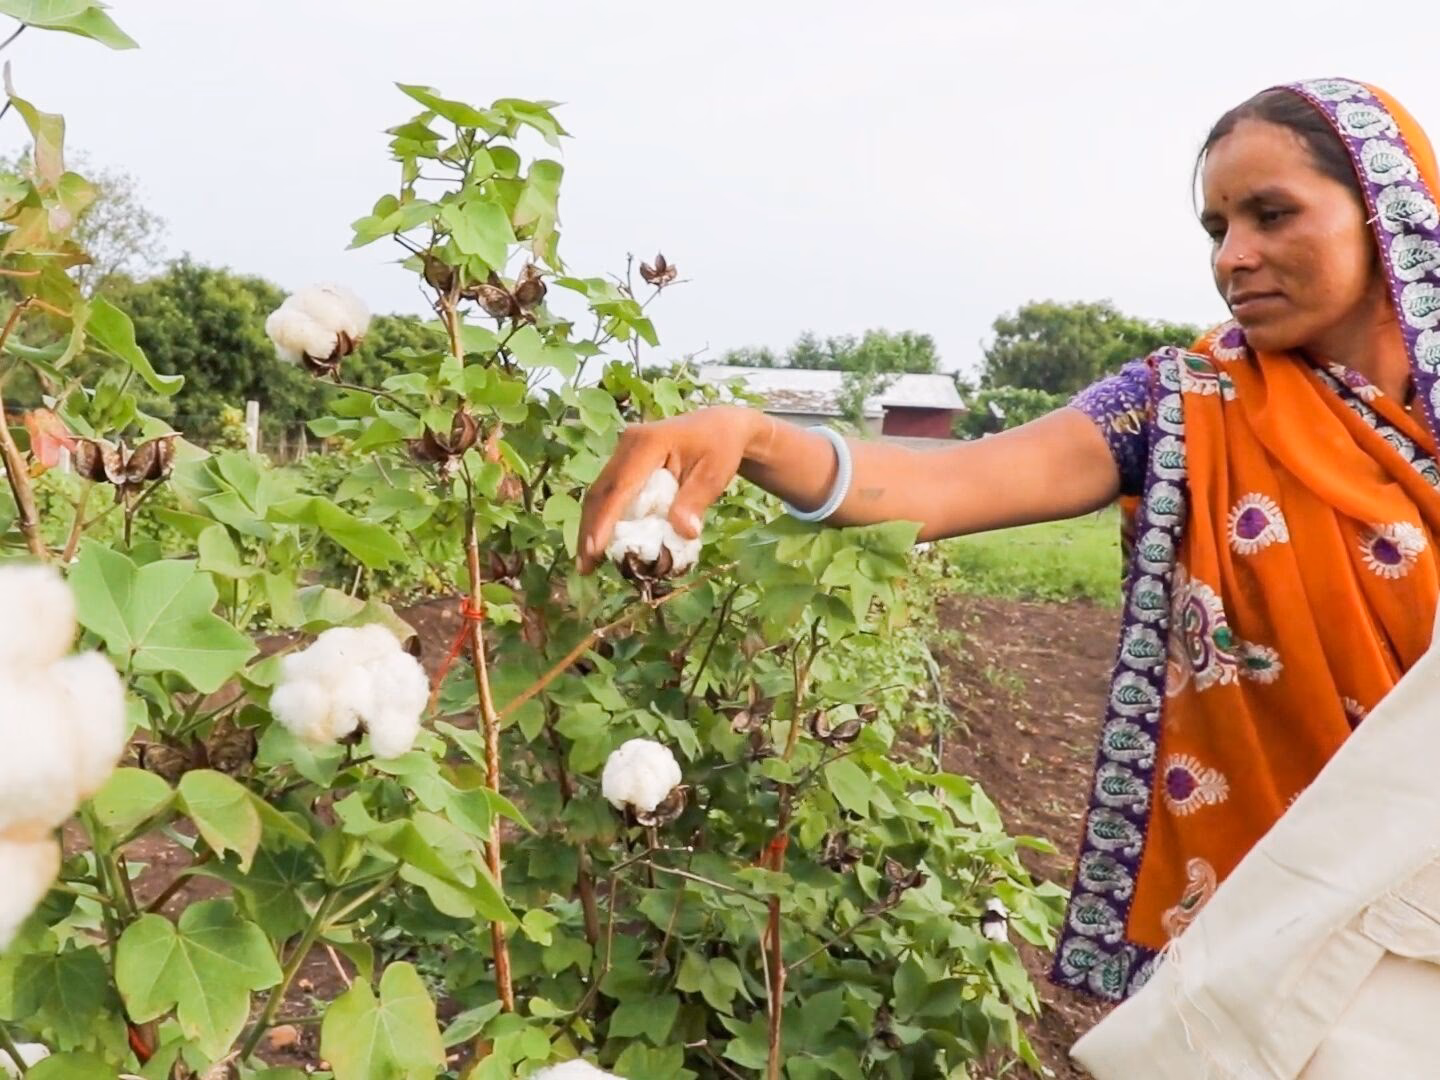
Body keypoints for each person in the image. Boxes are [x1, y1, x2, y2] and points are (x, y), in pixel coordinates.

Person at [577, 78, 1440, 1005]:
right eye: (1216, 228)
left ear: (1389, 215)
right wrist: (754, 435)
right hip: (1290, 949)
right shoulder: (1185, 405)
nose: (1235, 256)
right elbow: (950, 482)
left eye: (1272, 214)